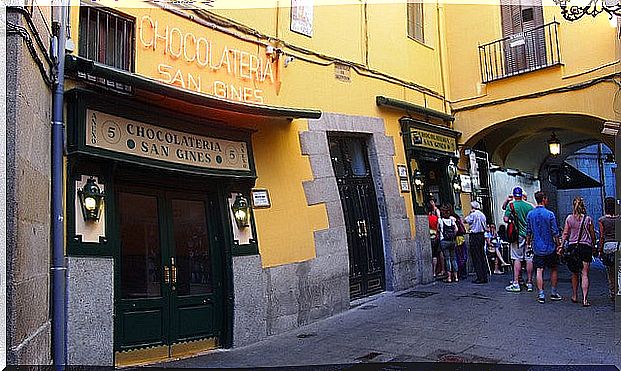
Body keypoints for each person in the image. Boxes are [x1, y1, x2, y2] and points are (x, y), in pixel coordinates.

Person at [526, 191, 562, 303]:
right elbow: (555, 232)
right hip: (550, 246)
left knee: (539, 270)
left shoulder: (530, 214)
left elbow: (528, 232)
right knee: (553, 269)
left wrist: (528, 244)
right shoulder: (550, 214)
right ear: (544, 199)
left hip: (537, 247)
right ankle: (553, 292)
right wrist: (558, 244)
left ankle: (541, 294)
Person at [561, 196, 596, 307]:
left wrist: (561, 246)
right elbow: (592, 234)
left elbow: (565, 234)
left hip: (573, 248)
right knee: (585, 273)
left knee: (575, 273)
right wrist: (594, 245)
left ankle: (575, 295)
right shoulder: (588, 219)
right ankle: (585, 299)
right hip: (585, 247)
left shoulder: (569, 218)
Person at [504, 186, 535, 293]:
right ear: (522, 195)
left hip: (517, 236)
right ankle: (530, 282)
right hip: (529, 236)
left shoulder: (511, 205)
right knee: (529, 258)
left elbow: (506, 219)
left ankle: (516, 283)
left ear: (513, 195)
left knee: (516, 258)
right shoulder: (529, 206)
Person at [598, 197, 619, 302]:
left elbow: (602, 236)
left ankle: (613, 293)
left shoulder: (602, 220)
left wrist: (600, 250)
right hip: (619, 245)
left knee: (610, 272)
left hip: (608, 245)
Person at [464, 201, 489, 284]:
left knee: (476, 256)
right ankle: (484, 276)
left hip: (474, 236)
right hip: (481, 235)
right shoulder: (482, 215)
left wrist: (469, 213)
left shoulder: (473, 214)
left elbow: (465, 220)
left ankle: (480, 277)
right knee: (482, 256)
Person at [438, 204, 459, 283]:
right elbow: (456, 229)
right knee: (453, 258)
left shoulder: (440, 220)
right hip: (452, 241)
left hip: (444, 241)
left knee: (447, 259)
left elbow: (438, 229)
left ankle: (449, 277)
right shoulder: (451, 220)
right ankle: (456, 277)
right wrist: (453, 235)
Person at [428, 205, 441, 279]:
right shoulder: (436, 218)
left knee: (432, 254)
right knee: (435, 255)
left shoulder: (428, 218)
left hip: (430, 236)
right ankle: (434, 272)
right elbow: (438, 227)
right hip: (435, 236)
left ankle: (432, 271)